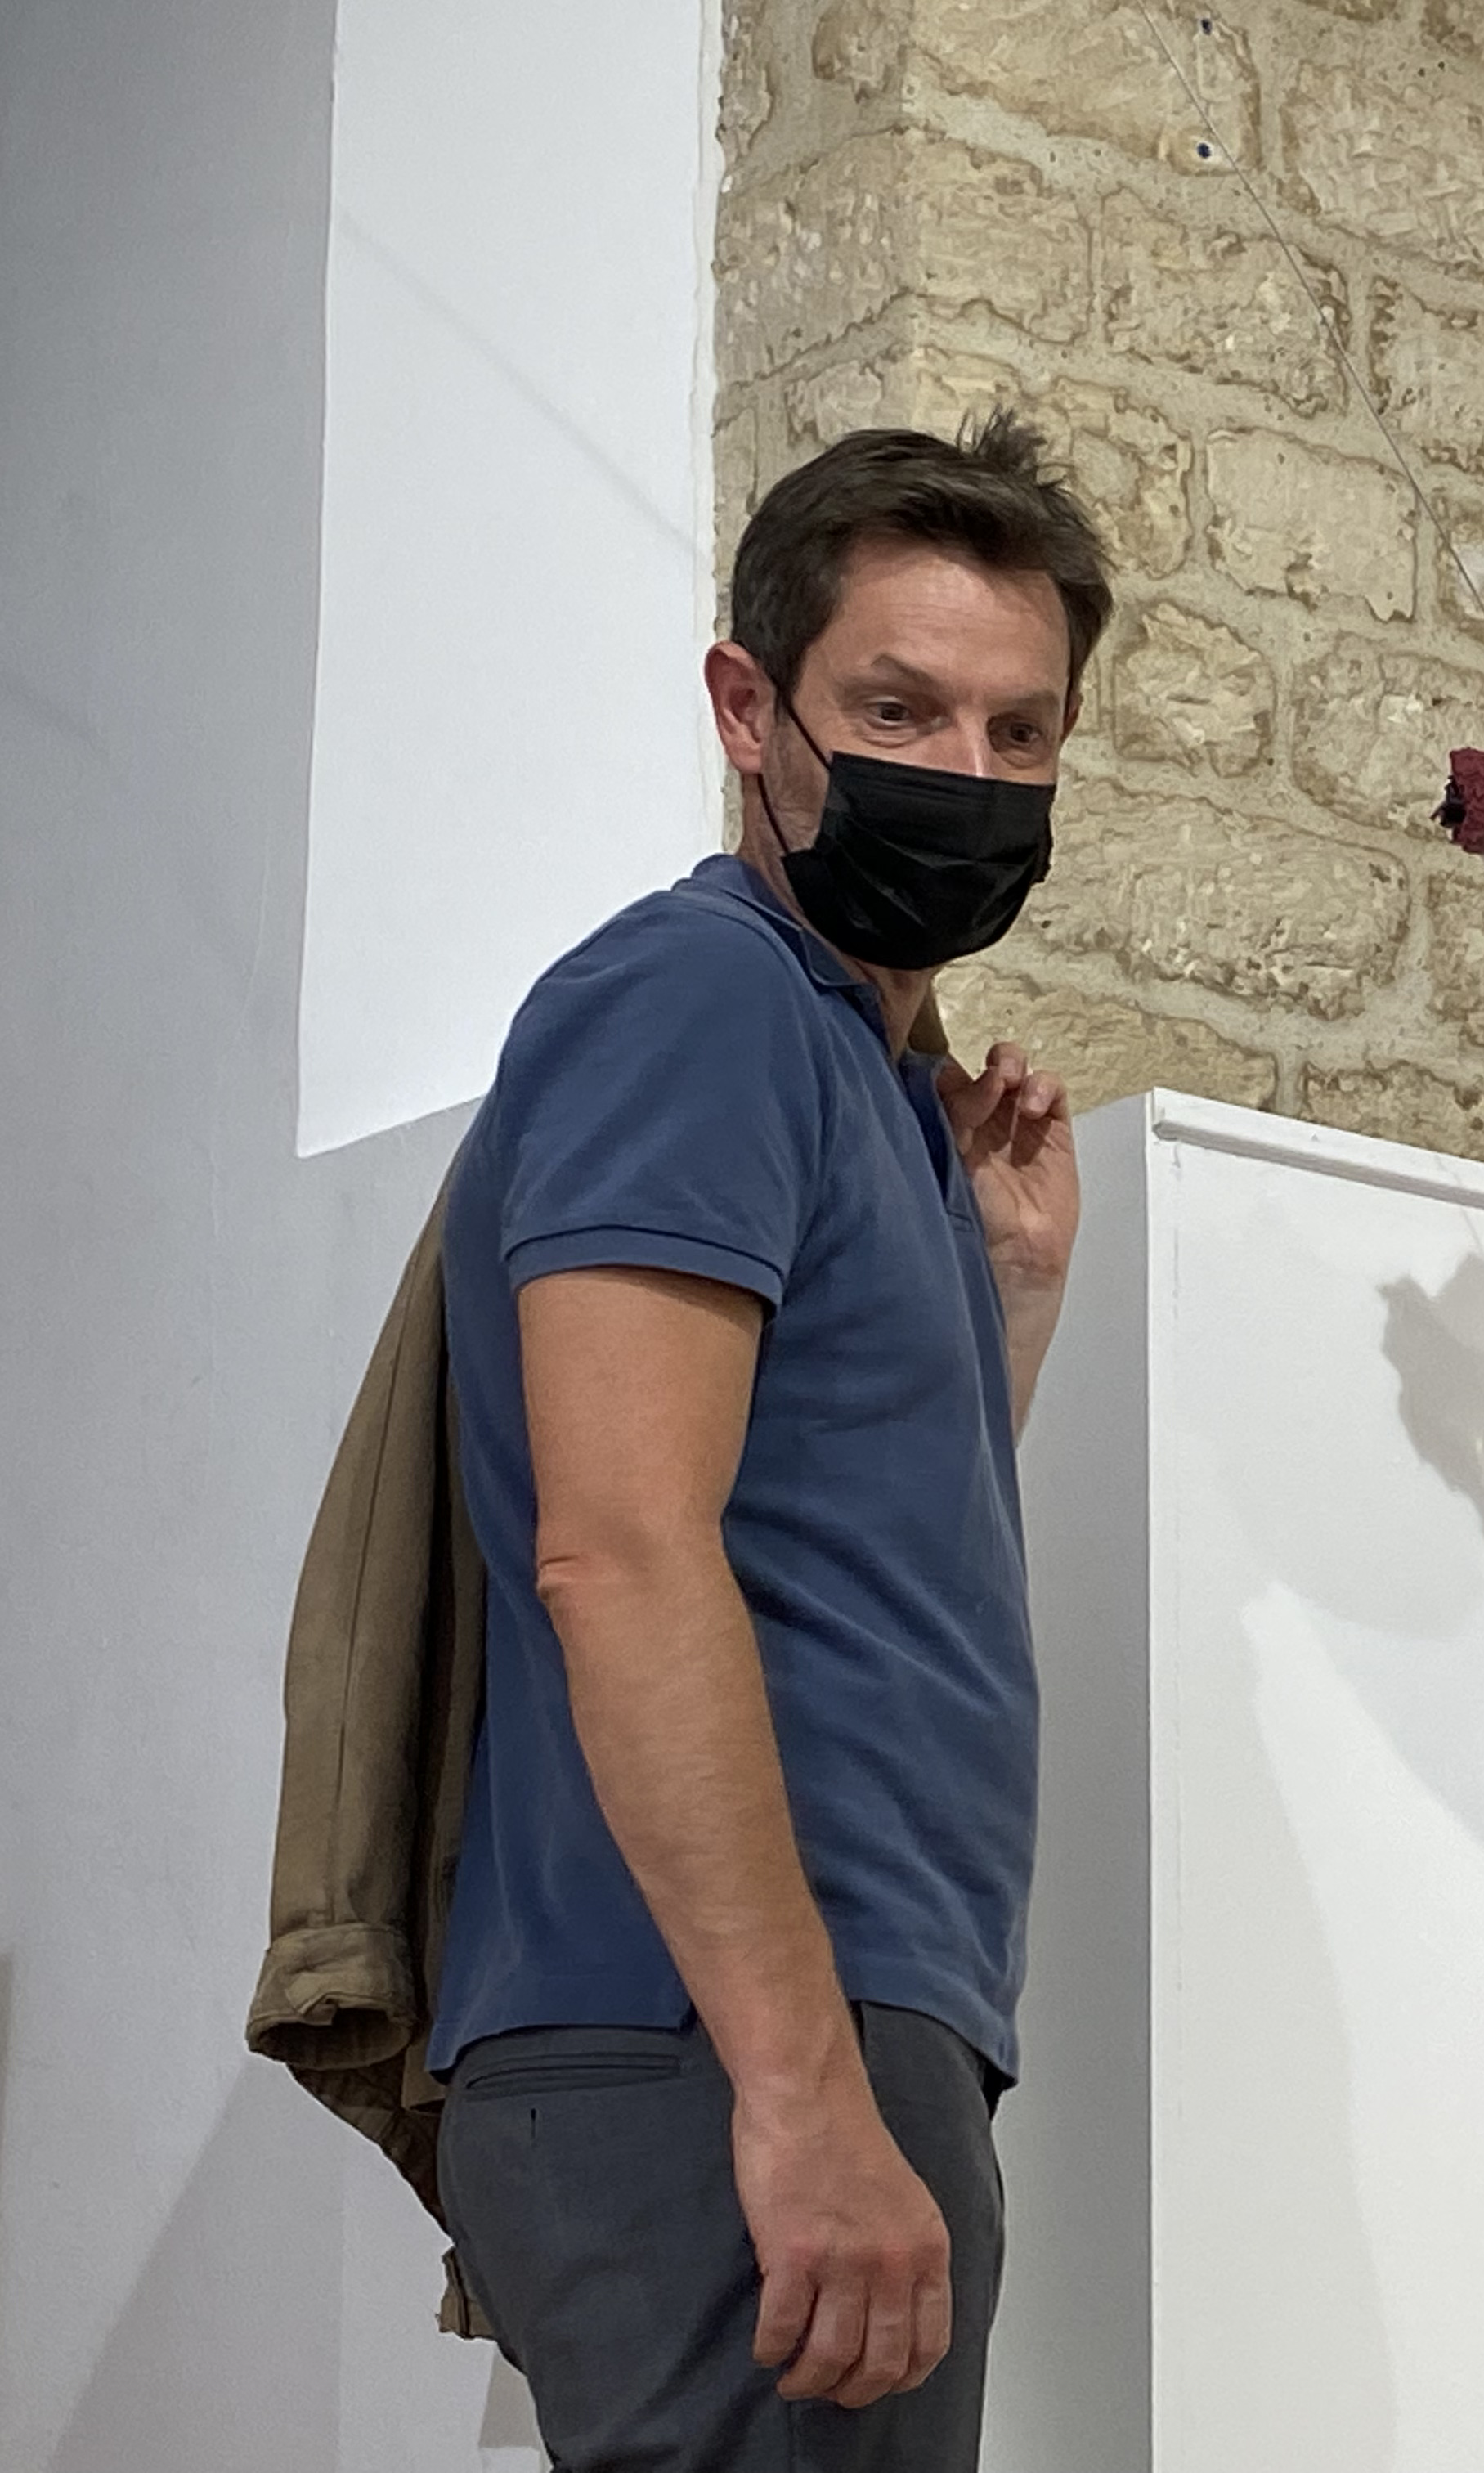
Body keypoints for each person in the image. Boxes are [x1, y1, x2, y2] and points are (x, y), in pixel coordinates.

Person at [424, 413, 1108, 2470]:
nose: (964, 774)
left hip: (810, 2020)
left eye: (1018, 731)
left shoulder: (868, 1081)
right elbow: (619, 1550)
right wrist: (803, 2092)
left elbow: (847, 1559)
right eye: (896, 710)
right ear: (750, 709)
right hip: (725, 2033)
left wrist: (1007, 1295)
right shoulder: (702, 1000)